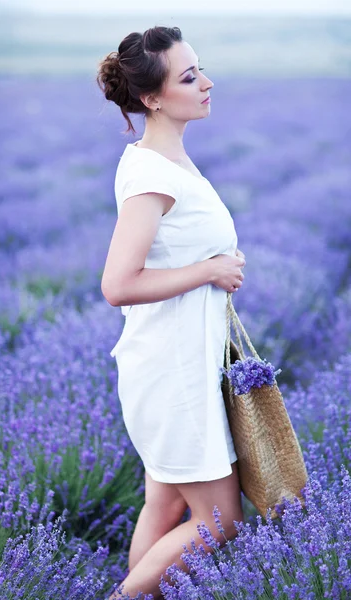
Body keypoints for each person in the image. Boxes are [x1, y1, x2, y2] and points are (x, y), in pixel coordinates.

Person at [97, 25, 246, 599]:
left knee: (162, 509)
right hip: (173, 372)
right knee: (218, 522)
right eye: (189, 78)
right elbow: (117, 284)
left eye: (200, 70)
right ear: (153, 98)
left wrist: (215, 265)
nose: (206, 84)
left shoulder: (164, 159)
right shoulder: (153, 175)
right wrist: (210, 270)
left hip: (176, 364)